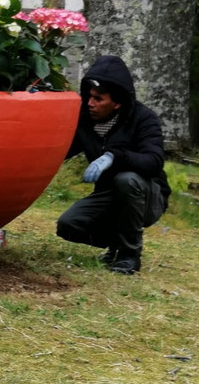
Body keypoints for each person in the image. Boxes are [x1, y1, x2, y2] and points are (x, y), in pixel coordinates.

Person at [56, 55, 171, 275]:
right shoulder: (85, 120)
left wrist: (114, 156)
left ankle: (130, 255)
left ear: (117, 103)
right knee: (68, 225)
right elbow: (62, 150)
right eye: (89, 96)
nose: (90, 103)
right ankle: (117, 242)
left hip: (147, 196)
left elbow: (154, 161)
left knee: (126, 179)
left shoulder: (143, 118)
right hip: (108, 194)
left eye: (98, 99)